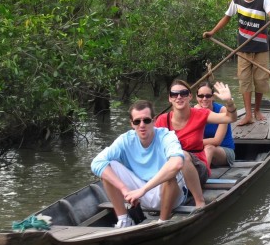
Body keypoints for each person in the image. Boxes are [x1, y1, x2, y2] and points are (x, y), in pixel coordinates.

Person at [90, 100, 190, 228]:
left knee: (170, 173)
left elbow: (177, 163)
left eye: (146, 120)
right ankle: (124, 220)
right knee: (109, 166)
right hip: (139, 194)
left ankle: (163, 222)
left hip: (169, 194)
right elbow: (96, 163)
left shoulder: (166, 136)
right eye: (137, 121)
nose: (142, 125)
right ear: (132, 124)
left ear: (154, 121)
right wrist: (124, 189)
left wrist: (143, 190)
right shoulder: (125, 140)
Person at [203, 0, 270, 126]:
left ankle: (257, 109)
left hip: (261, 48)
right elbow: (227, 17)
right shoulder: (237, 1)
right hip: (243, 48)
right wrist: (212, 32)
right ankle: (248, 115)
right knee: (244, 80)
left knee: (260, 80)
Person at [155, 80, 238, 194]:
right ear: (170, 98)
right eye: (174, 94)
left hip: (205, 158)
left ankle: (199, 195)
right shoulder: (162, 120)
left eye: (183, 93)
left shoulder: (202, 114)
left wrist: (229, 101)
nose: (179, 97)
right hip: (173, 167)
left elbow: (230, 119)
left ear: (189, 96)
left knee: (193, 152)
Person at [194, 82, 235, 167]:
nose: (204, 99)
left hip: (223, 151)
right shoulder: (193, 111)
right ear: (196, 97)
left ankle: (202, 176)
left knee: (209, 147)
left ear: (213, 96)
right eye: (201, 96)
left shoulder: (222, 110)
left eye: (208, 96)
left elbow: (216, 141)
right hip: (200, 149)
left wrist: (191, 143)